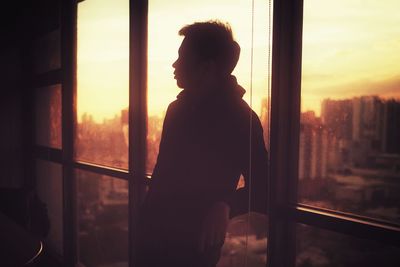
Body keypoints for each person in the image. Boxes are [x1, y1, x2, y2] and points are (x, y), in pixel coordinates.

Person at [137, 20, 268, 267]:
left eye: (182, 57)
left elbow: (264, 187)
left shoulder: (241, 120)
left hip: (192, 246)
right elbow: (162, 174)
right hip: (153, 237)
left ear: (206, 68)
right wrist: (144, 221)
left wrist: (225, 204)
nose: (174, 64)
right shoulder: (176, 110)